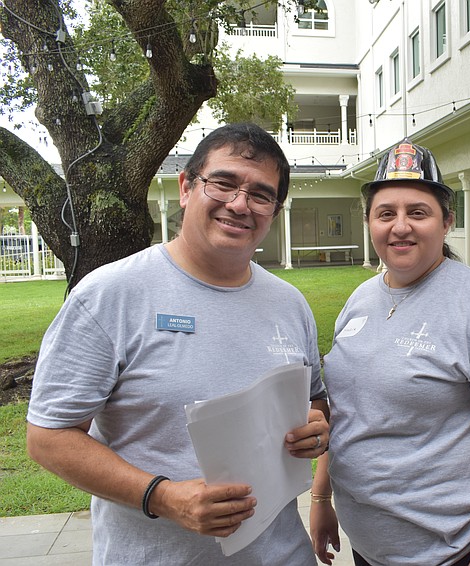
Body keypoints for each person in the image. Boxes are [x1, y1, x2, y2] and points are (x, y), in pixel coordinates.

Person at [27, 123, 330, 565]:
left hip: (281, 554)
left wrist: (315, 428)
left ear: (273, 210)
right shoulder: (110, 295)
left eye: (261, 195)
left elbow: (316, 402)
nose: (240, 204)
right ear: (187, 187)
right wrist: (163, 496)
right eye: (224, 183)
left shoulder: (290, 303)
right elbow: (48, 437)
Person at [308, 139, 470, 566]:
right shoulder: (360, 300)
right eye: (386, 214)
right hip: (370, 546)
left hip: (454, 550)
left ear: (446, 221)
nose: (400, 226)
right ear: (370, 223)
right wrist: (321, 496)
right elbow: (344, 411)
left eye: (417, 212)